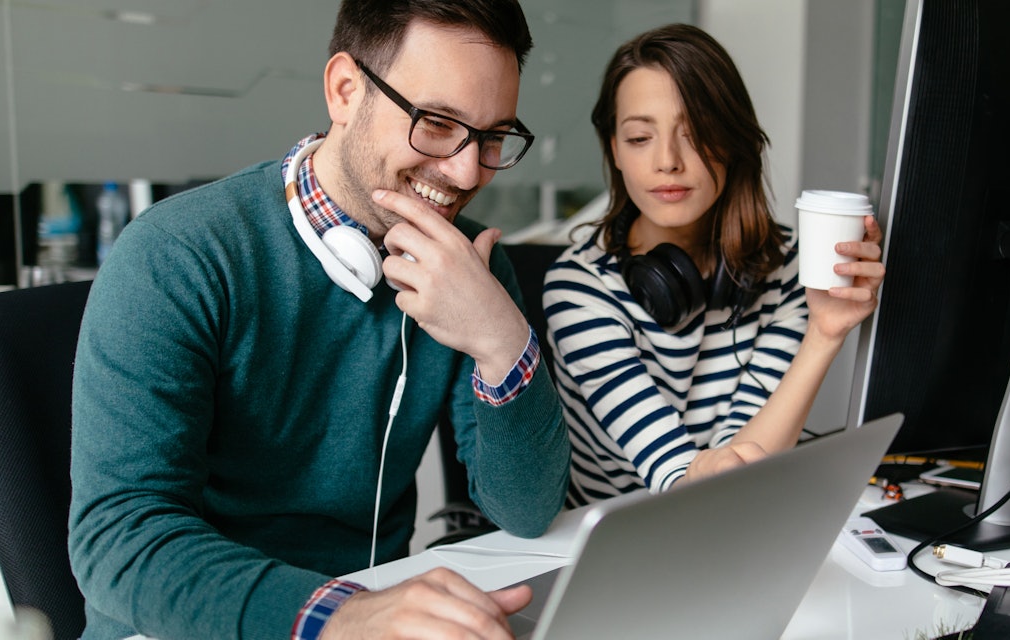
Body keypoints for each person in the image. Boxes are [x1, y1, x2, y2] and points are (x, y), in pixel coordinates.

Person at [67, 2, 570, 639]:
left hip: (375, 616)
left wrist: (503, 341)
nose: (468, 171)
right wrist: (341, 616)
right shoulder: (176, 256)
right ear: (344, 90)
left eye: (493, 136)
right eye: (438, 123)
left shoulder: (468, 267)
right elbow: (119, 540)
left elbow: (526, 511)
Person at [543, 24, 885, 506]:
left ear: (732, 141)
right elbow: (686, 485)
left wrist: (825, 333)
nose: (667, 161)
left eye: (696, 133)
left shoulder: (789, 267)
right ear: (614, 151)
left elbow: (742, 468)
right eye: (640, 137)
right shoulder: (577, 288)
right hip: (614, 541)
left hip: (731, 525)